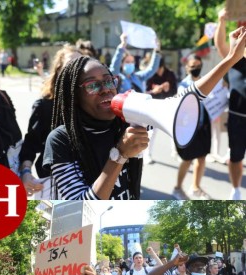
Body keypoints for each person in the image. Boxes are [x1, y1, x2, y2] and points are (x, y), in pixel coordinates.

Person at [42, 26, 246, 200]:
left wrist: (230, 59)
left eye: (108, 80)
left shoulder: (126, 117)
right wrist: (119, 155)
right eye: (92, 86)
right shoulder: (61, 140)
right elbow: (81, 207)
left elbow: (189, 96)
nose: (105, 89)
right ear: (74, 96)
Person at [18, 45, 81, 196]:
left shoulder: (92, 105)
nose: (77, 70)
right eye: (71, 64)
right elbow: (30, 144)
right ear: (59, 69)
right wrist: (26, 172)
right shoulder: (44, 106)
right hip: (53, 181)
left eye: (82, 64)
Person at [215, 9, 246, 199]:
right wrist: (221, 21)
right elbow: (220, 44)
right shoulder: (235, 59)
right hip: (238, 119)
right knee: (236, 157)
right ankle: (235, 190)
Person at [172, 55, 212, 200]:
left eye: (198, 65)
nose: (195, 68)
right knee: (187, 159)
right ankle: (177, 188)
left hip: (203, 126)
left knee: (202, 158)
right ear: (187, 68)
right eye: (192, 66)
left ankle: (195, 187)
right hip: (189, 128)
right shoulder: (183, 85)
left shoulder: (206, 81)